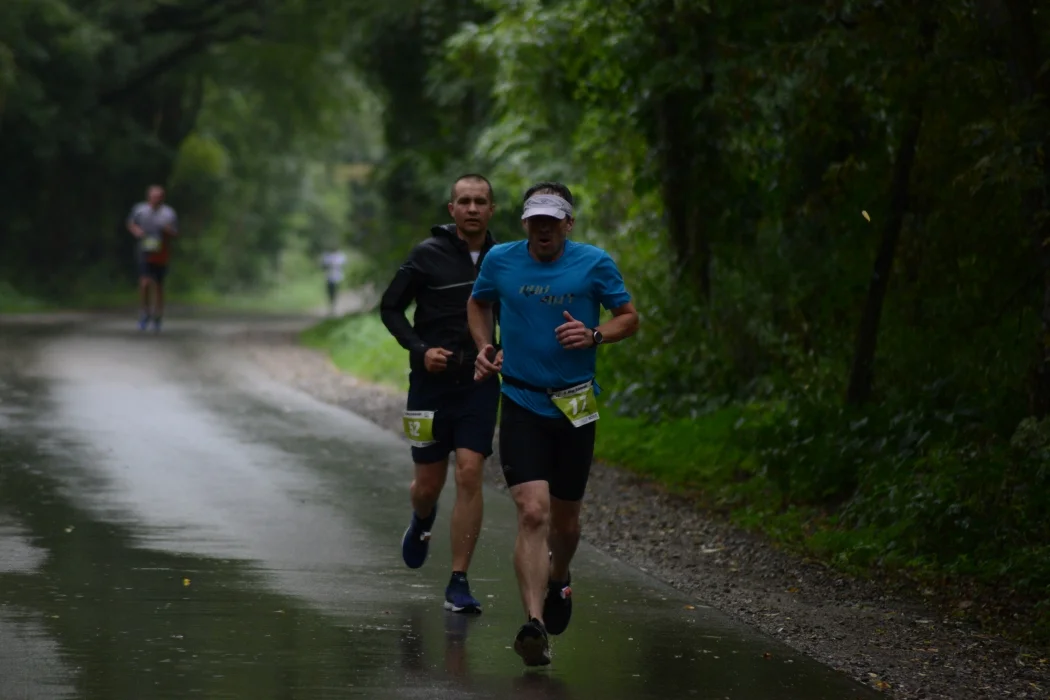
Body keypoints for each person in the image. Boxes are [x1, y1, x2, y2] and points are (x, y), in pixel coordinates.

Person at [467, 181, 639, 666]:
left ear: (568, 223)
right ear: (524, 223)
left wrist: (594, 334)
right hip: (520, 397)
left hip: (575, 404)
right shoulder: (501, 260)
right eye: (534, 219)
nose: (542, 228)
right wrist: (484, 345)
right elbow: (478, 303)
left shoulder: (594, 263)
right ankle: (534, 624)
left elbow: (629, 317)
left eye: (552, 219)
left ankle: (559, 574)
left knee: (565, 523)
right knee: (532, 512)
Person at [379, 173, 502, 615]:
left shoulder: (505, 259)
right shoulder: (426, 255)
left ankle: (459, 581)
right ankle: (422, 519)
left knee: (470, 473)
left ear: (492, 210)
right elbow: (390, 307)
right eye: (464, 201)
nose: (472, 208)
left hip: (479, 383)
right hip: (429, 385)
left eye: (480, 201)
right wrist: (419, 350)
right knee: (428, 485)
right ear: (451, 210)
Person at [126, 185, 178, 332]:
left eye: (160, 197)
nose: (157, 199)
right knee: (144, 282)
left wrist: (167, 231)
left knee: (159, 285)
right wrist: (137, 231)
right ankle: (145, 312)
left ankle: (158, 315)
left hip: (162, 252)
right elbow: (131, 223)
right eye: (154, 197)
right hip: (145, 251)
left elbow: (175, 232)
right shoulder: (140, 210)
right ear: (149, 197)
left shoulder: (169, 213)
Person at [320, 246, 348, 316]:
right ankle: (331, 306)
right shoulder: (327, 256)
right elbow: (323, 266)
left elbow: (344, 265)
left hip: (338, 277)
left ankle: (335, 306)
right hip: (329, 277)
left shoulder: (340, 256)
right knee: (330, 293)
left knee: (336, 292)